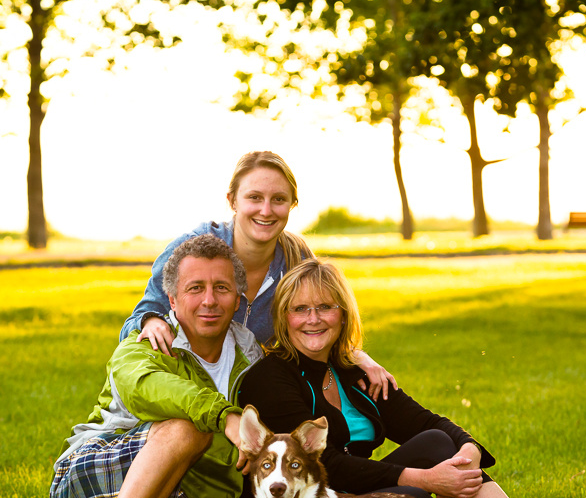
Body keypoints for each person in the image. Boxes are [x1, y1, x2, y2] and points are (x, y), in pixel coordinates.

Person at [237, 259, 586, 498]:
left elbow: (422, 421)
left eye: (325, 307)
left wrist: (468, 447)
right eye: (300, 309)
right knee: (415, 496)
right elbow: (327, 466)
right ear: (284, 317)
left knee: (438, 443)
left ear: (343, 313)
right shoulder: (272, 379)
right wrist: (424, 478)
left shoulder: (353, 372)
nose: (313, 319)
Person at [37, 235, 263, 498]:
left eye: (221, 287)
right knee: (188, 427)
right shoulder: (143, 343)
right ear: (171, 299)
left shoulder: (252, 357)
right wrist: (224, 416)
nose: (209, 300)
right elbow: (144, 387)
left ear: (238, 299)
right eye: (195, 288)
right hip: (90, 490)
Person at [120, 150, 397, 401]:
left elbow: (321, 324)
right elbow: (132, 327)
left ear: (291, 205)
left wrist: (359, 357)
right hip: (185, 391)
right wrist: (152, 320)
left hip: (255, 392)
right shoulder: (192, 250)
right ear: (232, 201)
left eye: (278, 200)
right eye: (254, 197)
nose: (266, 211)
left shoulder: (297, 259)